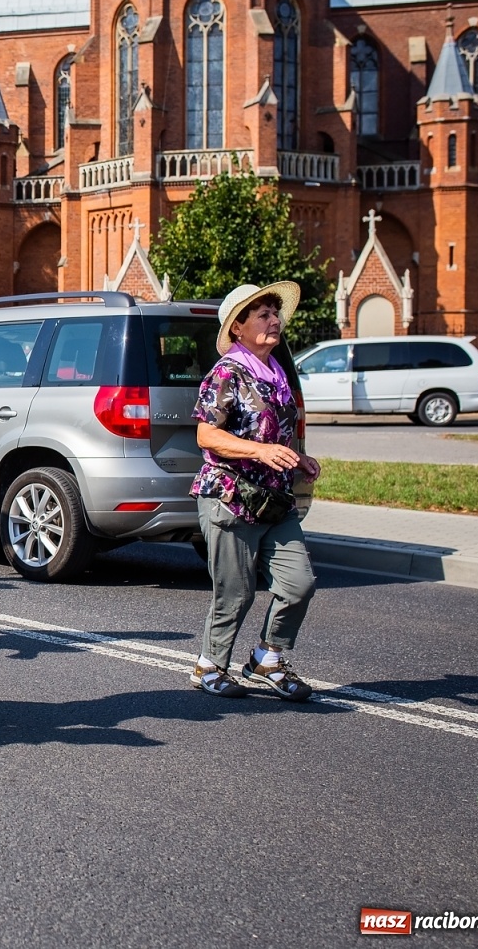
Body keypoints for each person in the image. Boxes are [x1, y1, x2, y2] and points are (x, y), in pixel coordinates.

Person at [188, 281, 319, 701]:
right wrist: (260, 451)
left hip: (274, 499)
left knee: (299, 584)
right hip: (230, 497)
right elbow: (207, 435)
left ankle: (267, 657)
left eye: (275, 313)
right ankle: (210, 665)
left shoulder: (276, 372)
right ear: (238, 327)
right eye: (263, 314)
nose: (274, 320)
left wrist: (299, 458)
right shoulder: (227, 372)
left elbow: (275, 432)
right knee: (236, 592)